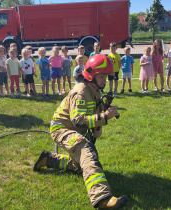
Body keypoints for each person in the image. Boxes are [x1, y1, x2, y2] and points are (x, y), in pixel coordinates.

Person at [33, 54, 128, 209]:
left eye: (106, 76)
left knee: (81, 165)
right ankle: (102, 197)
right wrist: (105, 116)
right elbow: (78, 119)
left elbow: (93, 112)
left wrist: (99, 126)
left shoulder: (94, 89)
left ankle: (47, 159)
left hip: (73, 129)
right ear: (91, 75)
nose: (105, 80)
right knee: (86, 150)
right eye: (102, 76)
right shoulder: (81, 92)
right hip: (61, 128)